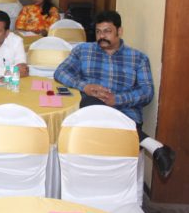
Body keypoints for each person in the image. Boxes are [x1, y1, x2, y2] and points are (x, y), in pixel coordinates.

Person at [54, 10, 175, 178]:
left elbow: (147, 92)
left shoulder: (138, 58)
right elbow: (60, 72)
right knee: (90, 101)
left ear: (120, 31)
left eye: (107, 31)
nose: (101, 36)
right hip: (90, 115)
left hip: (126, 115)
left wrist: (116, 100)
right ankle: (154, 146)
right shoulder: (83, 51)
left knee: (91, 103)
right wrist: (85, 86)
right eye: (98, 32)